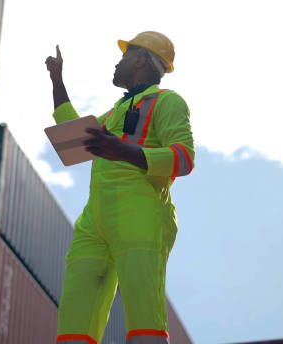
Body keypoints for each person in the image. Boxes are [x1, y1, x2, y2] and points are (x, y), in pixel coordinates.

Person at [45, 31, 194, 344]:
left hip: (142, 216)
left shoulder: (168, 102)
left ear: (140, 59)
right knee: (74, 324)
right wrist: (57, 80)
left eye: (125, 56)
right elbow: (72, 135)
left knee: (144, 320)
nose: (118, 63)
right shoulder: (113, 114)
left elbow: (183, 158)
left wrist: (121, 151)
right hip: (94, 223)